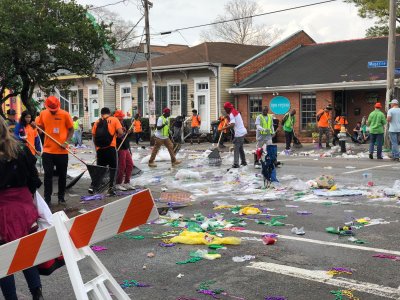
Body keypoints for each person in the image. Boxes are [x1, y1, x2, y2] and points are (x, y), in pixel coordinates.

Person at [0, 117, 44, 300]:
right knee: (25, 253)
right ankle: (37, 293)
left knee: (2, 258)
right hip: (24, 206)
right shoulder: (21, 148)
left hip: (3, 211)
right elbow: (34, 180)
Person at [36, 96, 74, 206]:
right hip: (48, 151)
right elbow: (40, 127)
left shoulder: (65, 114)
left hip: (62, 151)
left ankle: (61, 197)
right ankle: (47, 198)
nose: (53, 112)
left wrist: (66, 142)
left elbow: (71, 129)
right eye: (51, 110)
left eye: (54, 110)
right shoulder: (43, 114)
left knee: (62, 175)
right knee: (48, 175)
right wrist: (38, 128)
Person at [91, 107, 124, 195]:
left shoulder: (97, 122)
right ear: (109, 113)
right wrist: (118, 135)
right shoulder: (114, 119)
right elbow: (120, 132)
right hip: (110, 148)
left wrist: (97, 149)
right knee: (113, 168)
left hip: (100, 150)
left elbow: (94, 137)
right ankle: (111, 189)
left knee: (100, 169)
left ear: (101, 114)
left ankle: (94, 187)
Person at [222, 102, 247, 168]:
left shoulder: (231, 114)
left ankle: (236, 164)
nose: (225, 110)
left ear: (228, 108)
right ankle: (243, 162)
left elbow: (232, 125)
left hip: (239, 133)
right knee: (240, 148)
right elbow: (234, 122)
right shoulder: (235, 112)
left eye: (225, 109)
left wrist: (224, 128)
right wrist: (228, 119)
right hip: (243, 132)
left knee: (236, 149)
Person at [114, 110, 135, 190]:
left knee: (130, 165)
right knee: (122, 166)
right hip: (119, 147)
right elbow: (115, 136)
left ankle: (127, 182)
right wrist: (121, 133)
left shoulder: (124, 123)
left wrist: (129, 132)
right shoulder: (114, 124)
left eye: (122, 118)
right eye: (120, 118)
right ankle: (118, 183)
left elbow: (127, 136)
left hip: (125, 146)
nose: (121, 119)